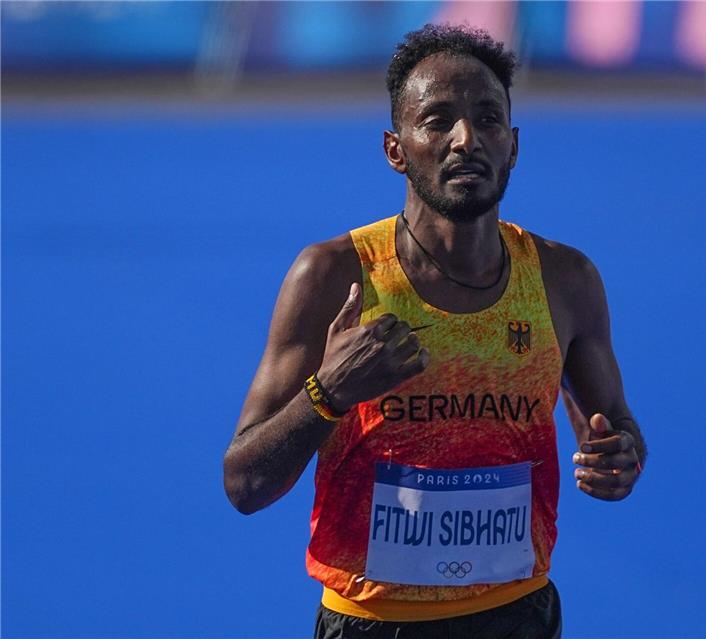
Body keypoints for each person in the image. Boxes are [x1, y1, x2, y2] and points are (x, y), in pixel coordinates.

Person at [223, 23, 647, 639]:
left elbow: (614, 432)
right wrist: (329, 393)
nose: (465, 139)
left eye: (487, 119)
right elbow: (244, 483)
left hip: (519, 616)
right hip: (373, 624)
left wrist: (619, 458)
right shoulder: (334, 276)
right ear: (396, 148)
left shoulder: (566, 280)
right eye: (438, 120)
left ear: (514, 145)